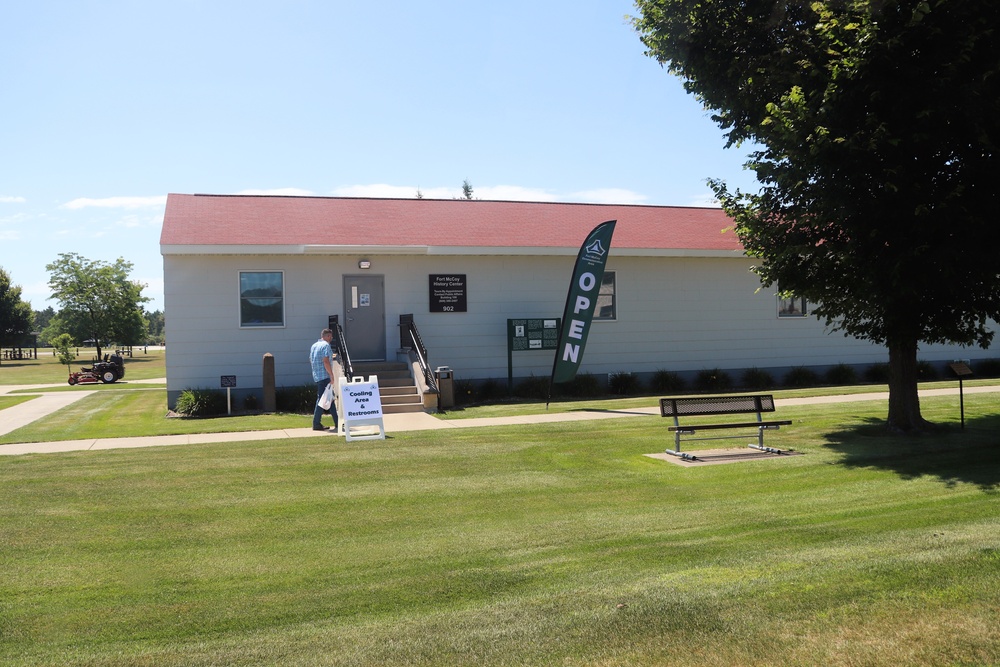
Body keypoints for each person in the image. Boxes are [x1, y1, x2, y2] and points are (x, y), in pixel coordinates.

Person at [309, 328, 339, 432]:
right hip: (324, 376)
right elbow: (326, 361)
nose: (331, 338)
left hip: (317, 376)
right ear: (326, 336)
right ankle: (316, 423)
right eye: (330, 336)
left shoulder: (314, 346)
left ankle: (337, 422)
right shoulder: (326, 345)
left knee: (329, 399)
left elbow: (310, 360)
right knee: (323, 399)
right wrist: (331, 374)